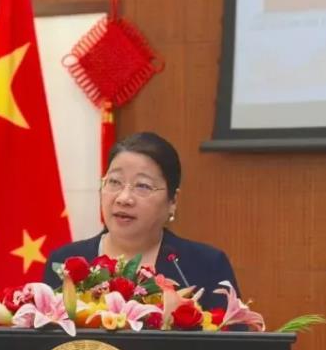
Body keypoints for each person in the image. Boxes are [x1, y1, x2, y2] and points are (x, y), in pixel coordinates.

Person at [44, 132, 238, 310]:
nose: (123, 198)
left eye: (143, 186)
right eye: (114, 182)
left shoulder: (207, 265)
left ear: (172, 201)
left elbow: (231, 336)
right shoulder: (67, 263)